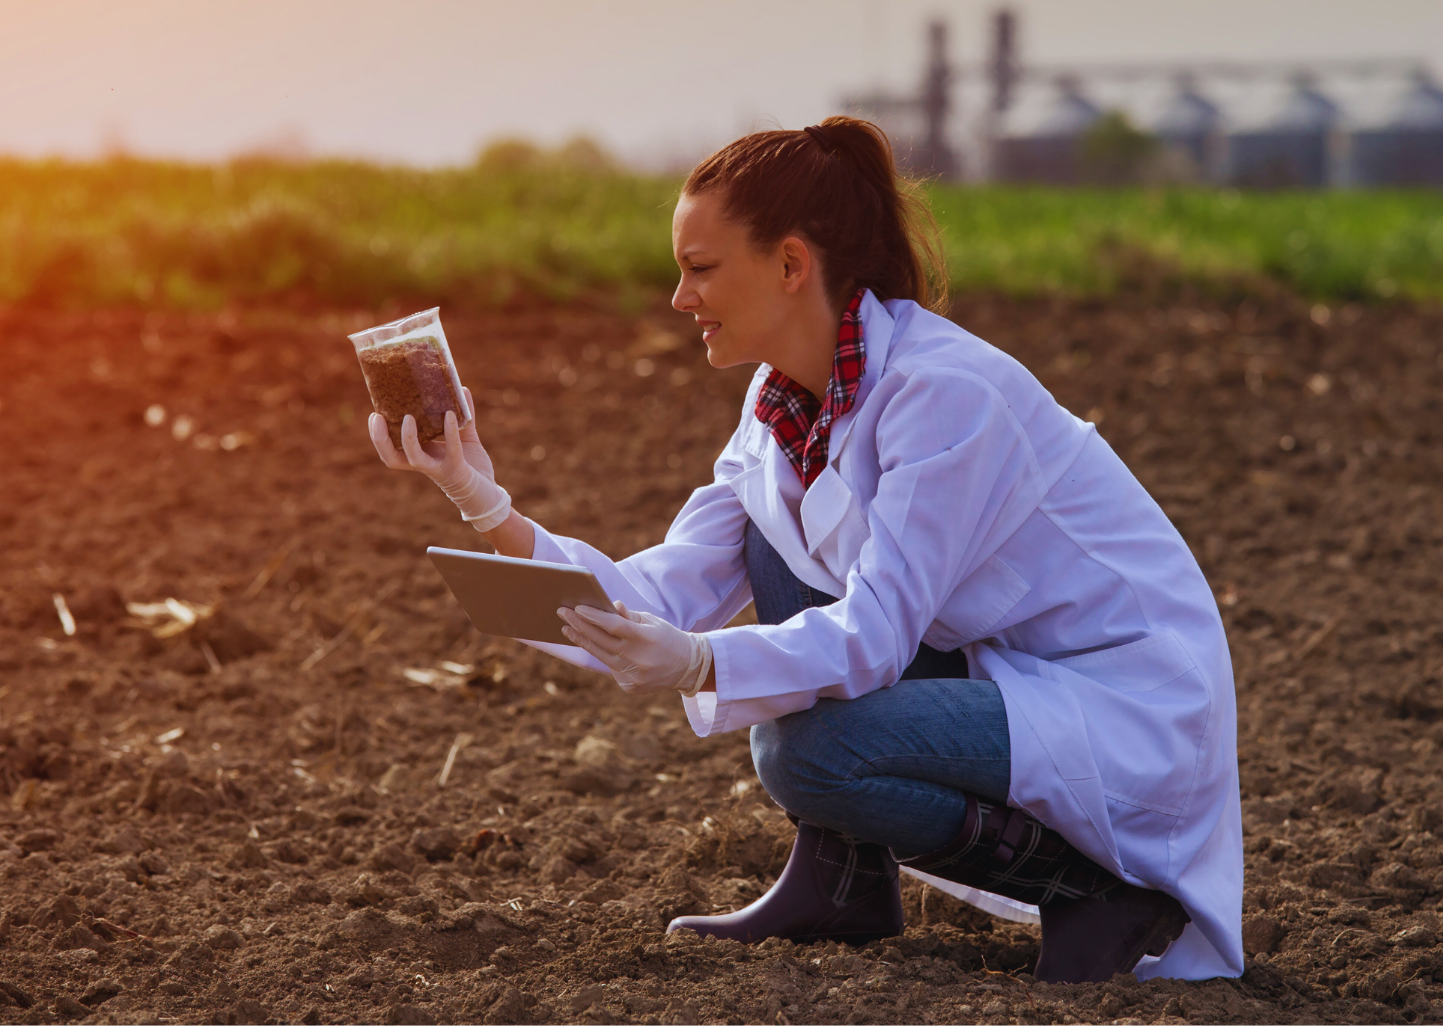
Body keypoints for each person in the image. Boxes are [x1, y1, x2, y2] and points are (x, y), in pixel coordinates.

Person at [367, 117, 1243, 982]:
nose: (680, 300)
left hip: (1122, 696)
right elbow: (657, 593)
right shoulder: (780, 403)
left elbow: (874, 637)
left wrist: (702, 662)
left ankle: (1093, 893)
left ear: (790, 264)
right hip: (1008, 667)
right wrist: (477, 494)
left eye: (699, 269)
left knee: (809, 753)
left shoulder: (944, 394)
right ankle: (843, 883)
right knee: (777, 540)